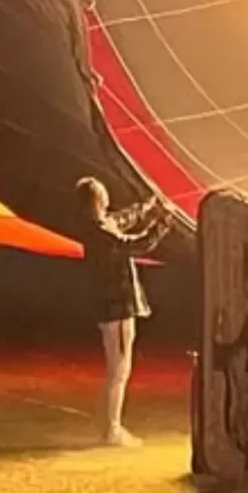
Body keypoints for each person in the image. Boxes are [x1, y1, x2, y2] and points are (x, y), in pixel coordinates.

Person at [77, 177, 170, 448]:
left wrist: (149, 207)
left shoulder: (101, 225)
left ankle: (107, 426)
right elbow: (137, 244)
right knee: (119, 370)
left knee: (117, 370)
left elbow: (125, 219)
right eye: (103, 193)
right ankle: (112, 430)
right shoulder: (101, 232)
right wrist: (163, 222)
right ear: (97, 200)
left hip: (113, 306)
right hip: (116, 308)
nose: (108, 196)